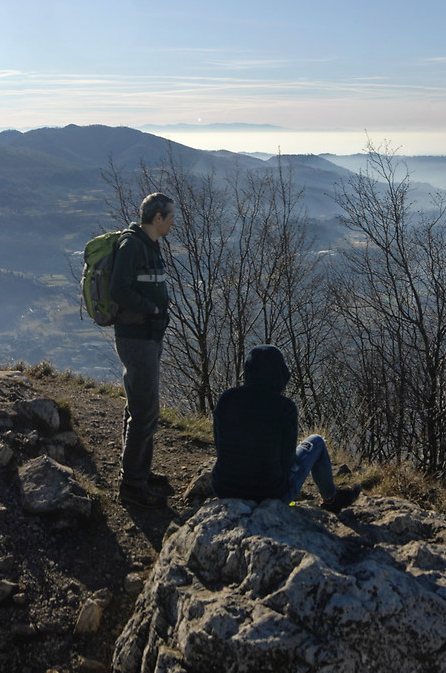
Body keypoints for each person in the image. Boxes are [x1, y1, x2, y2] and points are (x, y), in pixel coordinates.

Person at [211, 345, 361, 510]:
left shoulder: (227, 399)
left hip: (225, 490)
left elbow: (220, 446)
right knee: (316, 441)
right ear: (279, 374)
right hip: (271, 494)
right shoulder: (284, 407)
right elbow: (288, 462)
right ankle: (331, 499)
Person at [112, 193, 174, 508]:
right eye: (170, 216)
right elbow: (118, 289)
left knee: (139, 406)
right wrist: (151, 308)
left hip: (148, 336)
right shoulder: (131, 245)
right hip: (136, 337)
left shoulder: (149, 245)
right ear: (157, 218)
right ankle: (133, 486)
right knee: (145, 409)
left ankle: (137, 472)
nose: (173, 222)